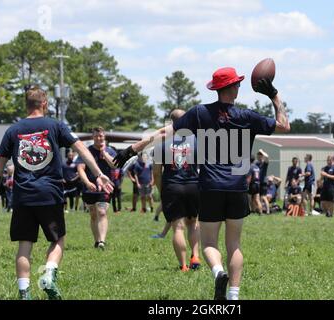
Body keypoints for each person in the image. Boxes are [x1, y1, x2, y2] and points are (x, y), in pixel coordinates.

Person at [113, 67, 290, 300]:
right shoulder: (247, 116)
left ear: (216, 89)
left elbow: (165, 132)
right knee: (234, 244)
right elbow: (283, 126)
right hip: (237, 187)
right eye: (237, 84)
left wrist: (133, 149)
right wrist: (274, 96)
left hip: (209, 186)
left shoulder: (200, 113)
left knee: (208, 242)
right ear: (234, 88)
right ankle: (233, 297)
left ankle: (218, 273)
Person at [0, 86, 113, 300]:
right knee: (57, 240)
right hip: (50, 194)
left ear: (26, 105)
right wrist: (99, 173)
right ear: (44, 103)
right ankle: (48, 274)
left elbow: (0, 163)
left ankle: (24, 292)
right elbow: (82, 149)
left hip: (23, 196)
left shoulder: (13, 130)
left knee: (24, 246)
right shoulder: (56, 125)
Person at [153, 108, 201, 271]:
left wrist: (162, 190)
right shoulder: (196, 139)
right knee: (193, 223)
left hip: (172, 186)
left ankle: (183, 266)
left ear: (171, 122)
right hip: (193, 185)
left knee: (178, 227)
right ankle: (195, 256)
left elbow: (157, 172)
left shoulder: (161, 142)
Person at [77, 127, 117, 250]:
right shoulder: (86, 151)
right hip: (90, 187)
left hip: (105, 187)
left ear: (104, 137)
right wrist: (87, 182)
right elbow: (80, 169)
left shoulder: (110, 151)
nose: (99, 138)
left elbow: (114, 165)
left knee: (102, 212)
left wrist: (104, 153)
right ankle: (96, 241)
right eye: (96, 136)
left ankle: (102, 242)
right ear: (93, 137)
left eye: (101, 136)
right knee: (93, 214)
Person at [256, 149, 270, 214]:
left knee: (264, 197)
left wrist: (262, 151)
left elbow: (267, 157)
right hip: (258, 182)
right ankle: (260, 211)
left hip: (263, 182)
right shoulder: (256, 163)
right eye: (258, 155)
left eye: (260, 155)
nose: (259, 156)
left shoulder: (265, 163)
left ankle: (268, 211)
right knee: (259, 197)